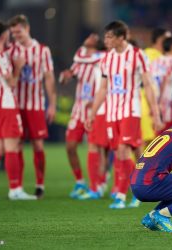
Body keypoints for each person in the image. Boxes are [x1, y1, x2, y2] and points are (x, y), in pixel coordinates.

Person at [86, 20, 163, 209]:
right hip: (112, 113)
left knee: (122, 150)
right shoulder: (106, 59)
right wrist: (92, 113)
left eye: (110, 36)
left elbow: (148, 86)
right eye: (105, 36)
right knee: (127, 152)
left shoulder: (138, 55)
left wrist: (156, 113)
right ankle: (142, 189)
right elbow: (103, 88)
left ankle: (120, 195)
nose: (106, 40)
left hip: (131, 110)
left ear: (121, 38)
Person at [0, 22, 36, 200]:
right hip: (6, 103)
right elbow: (12, 83)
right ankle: (15, 189)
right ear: (4, 35)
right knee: (12, 147)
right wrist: (19, 66)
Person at [7, 15, 56, 198]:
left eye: (18, 32)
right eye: (13, 33)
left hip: (35, 104)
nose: (16, 36)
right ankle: (17, 187)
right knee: (17, 144)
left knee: (37, 145)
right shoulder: (10, 49)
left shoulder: (43, 50)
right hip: (16, 105)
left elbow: (49, 78)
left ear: (27, 29)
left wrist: (51, 104)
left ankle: (39, 185)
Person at [60, 33, 108, 199]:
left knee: (98, 148)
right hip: (78, 110)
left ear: (98, 43)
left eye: (94, 36)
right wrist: (65, 77)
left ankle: (100, 182)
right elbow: (68, 75)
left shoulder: (102, 58)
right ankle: (80, 181)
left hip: (96, 111)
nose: (90, 36)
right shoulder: (80, 59)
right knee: (70, 146)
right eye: (89, 36)